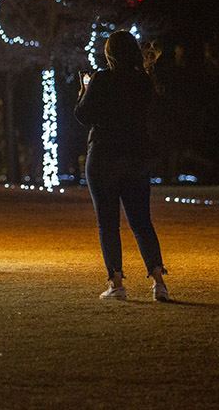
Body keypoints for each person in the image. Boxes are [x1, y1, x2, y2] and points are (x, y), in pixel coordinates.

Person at [75, 30, 170, 302]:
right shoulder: (143, 81)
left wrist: (84, 90)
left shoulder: (102, 79)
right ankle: (159, 282)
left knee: (108, 223)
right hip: (136, 157)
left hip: (104, 156)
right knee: (142, 222)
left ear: (109, 54)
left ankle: (116, 283)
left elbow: (83, 115)